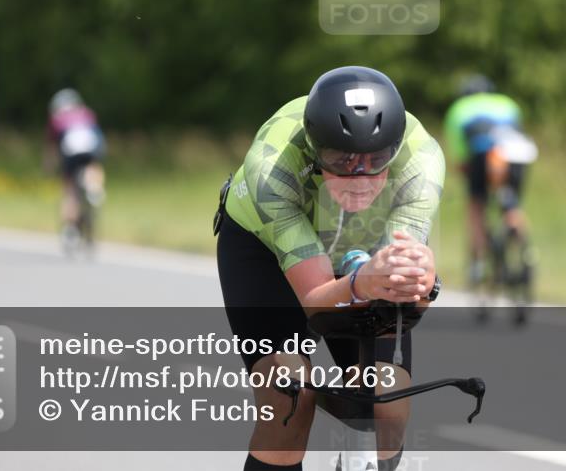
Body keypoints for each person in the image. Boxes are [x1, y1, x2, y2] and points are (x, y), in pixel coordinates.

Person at [216, 66, 445, 471]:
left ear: (395, 148)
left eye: (375, 159)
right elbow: (314, 302)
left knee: (388, 404)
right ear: (313, 147)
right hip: (266, 250)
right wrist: (360, 283)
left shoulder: (421, 161)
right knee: (288, 398)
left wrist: (421, 287)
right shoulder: (273, 168)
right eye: (339, 159)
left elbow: (406, 299)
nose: (358, 176)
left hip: (362, 249)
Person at [443, 75, 535, 290]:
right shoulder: (507, 102)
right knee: (511, 205)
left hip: (484, 153)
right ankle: (527, 253)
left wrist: (468, 176)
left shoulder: (459, 108)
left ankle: (478, 264)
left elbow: (460, 155)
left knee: (476, 205)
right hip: (517, 153)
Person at [45, 88, 105, 237]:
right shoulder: (86, 112)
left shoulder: (56, 119)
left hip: (71, 148)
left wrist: (49, 166)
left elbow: (52, 148)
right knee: (94, 166)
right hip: (91, 143)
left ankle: (70, 228)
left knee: (69, 189)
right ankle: (94, 188)